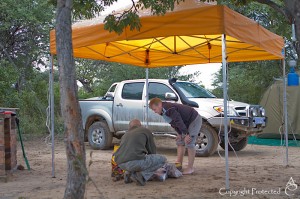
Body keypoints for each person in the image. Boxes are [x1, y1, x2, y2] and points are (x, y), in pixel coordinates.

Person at [149, 97, 202, 175]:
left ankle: (190, 168)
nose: (154, 112)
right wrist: (179, 134)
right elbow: (173, 123)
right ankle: (178, 165)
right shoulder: (163, 112)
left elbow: (178, 120)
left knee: (189, 141)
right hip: (186, 122)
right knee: (179, 140)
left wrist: (186, 134)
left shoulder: (168, 108)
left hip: (194, 119)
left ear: (159, 105)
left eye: (154, 109)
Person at [114, 119, 166, 186]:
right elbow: (152, 151)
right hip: (134, 162)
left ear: (129, 127)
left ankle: (128, 175)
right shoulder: (145, 130)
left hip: (120, 164)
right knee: (162, 159)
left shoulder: (125, 134)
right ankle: (142, 176)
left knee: (134, 158)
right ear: (140, 125)